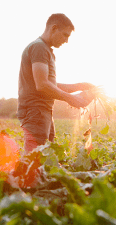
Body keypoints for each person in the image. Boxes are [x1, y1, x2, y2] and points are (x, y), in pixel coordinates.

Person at [17, 13, 95, 153]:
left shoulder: (45, 49)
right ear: (54, 28)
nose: (66, 41)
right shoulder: (39, 47)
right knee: (34, 161)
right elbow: (42, 85)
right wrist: (72, 99)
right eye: (65, 35)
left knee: (45, 158)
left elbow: (49, 84)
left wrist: (80, 86)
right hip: (36, 111)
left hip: (43, 111)